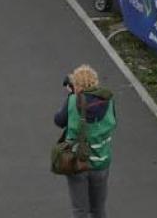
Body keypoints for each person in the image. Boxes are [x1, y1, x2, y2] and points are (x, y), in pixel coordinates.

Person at [54, 64, 117, 218]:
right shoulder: (109, 101)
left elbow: (59, 120)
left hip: (77, 162)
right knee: (98, 209)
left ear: (77, 85)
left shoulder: (72, 101)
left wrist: (71, 96)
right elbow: (113, 122)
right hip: (101, 162)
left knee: (79, 210)